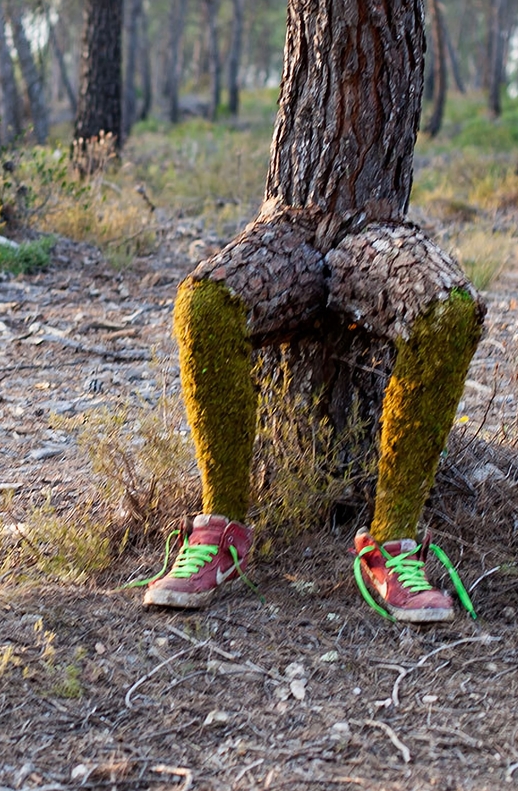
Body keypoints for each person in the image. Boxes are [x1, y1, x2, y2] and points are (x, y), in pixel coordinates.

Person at [140, 214, 483, 621]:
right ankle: (220, 535)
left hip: (379, 227)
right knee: (203, 304)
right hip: (291, 226)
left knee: (450, 313)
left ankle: (393, 543)